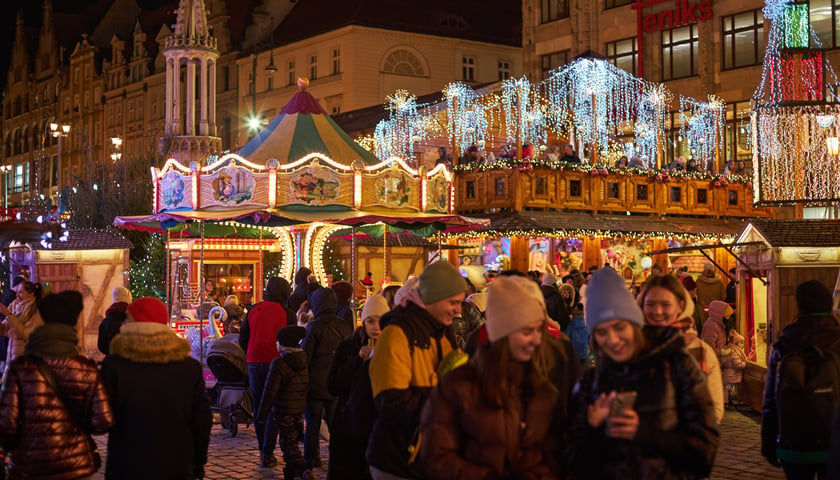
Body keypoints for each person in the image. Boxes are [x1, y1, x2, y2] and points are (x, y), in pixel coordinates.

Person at [566, 268, 719, 479]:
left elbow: (704, 454)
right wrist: (594, 430)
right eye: (602, 332)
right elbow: (574, 464)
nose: (612, 339)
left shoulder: (677, 365)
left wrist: (643, 432)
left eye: (619, 327)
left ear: (635, 324)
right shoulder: (591, 382)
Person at [419, 275, 570, 479]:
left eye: (538, 331)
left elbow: (553, 456)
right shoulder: (458, 387)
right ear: (503, 333)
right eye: (527, 332)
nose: (537, 340)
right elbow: (437, 458)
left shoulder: (543, 390)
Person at [366, 261, 466, 480]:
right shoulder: (396, 334)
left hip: (431, 458)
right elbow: (391, 402)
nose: (459, 309)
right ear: (434, 299)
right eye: (453, 302)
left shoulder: (443, 332)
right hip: (399, 460)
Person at [0, 291, 113, 480]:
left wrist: (20, 445)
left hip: (29, 466)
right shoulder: (87, 368)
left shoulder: (20, 368)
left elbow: (5, 425)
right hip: (75, 466)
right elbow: (103, 421)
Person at [101, 296, 211, 480]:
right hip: (176, 463)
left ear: (137, 323)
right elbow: (201, 420)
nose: (123, 323)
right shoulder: (188, 367)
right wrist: (198, 461)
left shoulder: (115, 365)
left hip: (127, 463)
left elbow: (103, 416)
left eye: (127, 318)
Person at [762, 280, 840, 479]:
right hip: (834, 444)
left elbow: (770, 400)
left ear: (799, 306)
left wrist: (768, 443)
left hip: (793, 444)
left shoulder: (783, 344)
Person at [638, 274, 725, 424]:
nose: (657, 311)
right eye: (650, 304)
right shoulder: (631, 347)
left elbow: (714, 408)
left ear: (681, 306)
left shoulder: (699, 350)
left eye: (666, 305)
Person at [327, 294, 390, 480]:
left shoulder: (393, 347)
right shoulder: (348, 347)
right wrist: (358, 361)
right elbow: (333, 385)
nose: (376, 327)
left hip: (379, 425)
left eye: (381, 321)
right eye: (371, 321)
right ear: (364, 321)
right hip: (349, 425)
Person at [239, 277, 291, 467]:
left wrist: (250, 351)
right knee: (274, 406)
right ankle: (268, 452)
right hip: (274, 362)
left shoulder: (254, 309)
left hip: (254, 361)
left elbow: (243, 337)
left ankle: (263, 449)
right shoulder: (287, 312)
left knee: (260, 407)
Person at [302, 287, 354, 471]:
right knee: (335, 425)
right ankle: (339, 459)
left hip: (316, 382)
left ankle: (311, 460)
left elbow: (307, 355)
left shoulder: (314, 326)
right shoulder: (344, 325)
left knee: (313, 425)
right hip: (335, 381)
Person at [256, 326, 309, 480]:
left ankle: (303, 470)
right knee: (291, 441)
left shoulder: (279, 363)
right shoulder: (304, 361)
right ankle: (291, 471)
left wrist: (261, 415)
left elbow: (270, 391)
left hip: (283, 410)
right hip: (298, 409)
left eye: (278, 341)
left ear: (284, 344)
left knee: (288, 445)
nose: (275, 344)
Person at [0, 281, 44, 379]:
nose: (17, 295)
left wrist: (8, 314)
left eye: (20, 292)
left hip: (26, 360)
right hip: (11, 357)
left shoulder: (34, 310)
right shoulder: (14, 305)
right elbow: (4, 329)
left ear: (31, 294)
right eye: (17, 292)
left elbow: (26, 334)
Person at [98, 286, 133, 355]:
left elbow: (101, 345)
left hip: (112, 359)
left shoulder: (106, 321)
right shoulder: (132, 318)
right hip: (130, 360)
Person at [720, 330, 747, 408]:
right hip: (731, 374)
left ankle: (726, 402)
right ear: (736, 344)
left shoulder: (728, 350)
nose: (742, 345)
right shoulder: (734, 352)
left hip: (727, 373)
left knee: (726, 389)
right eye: (741, 343)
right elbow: (737, 365)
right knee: (730, 389)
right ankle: (727, 402)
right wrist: (744, 364)